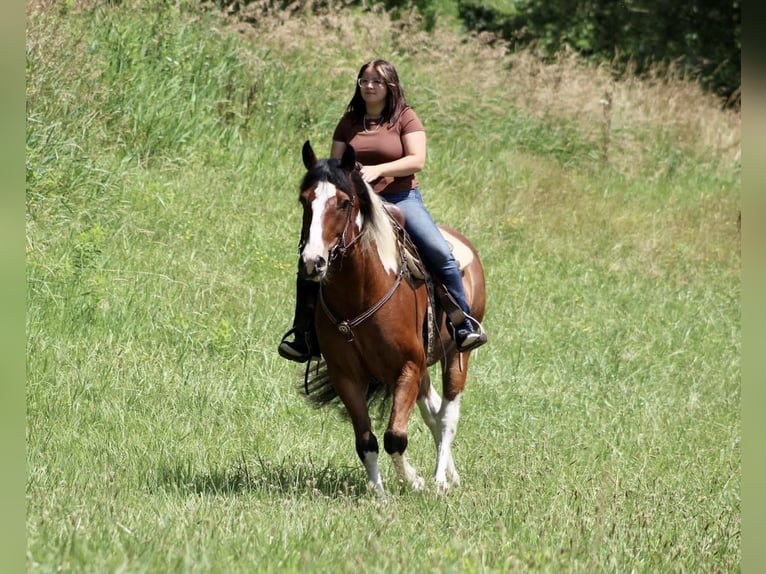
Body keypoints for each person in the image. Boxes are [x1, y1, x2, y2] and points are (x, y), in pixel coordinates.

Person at [278, 59, 487, 362]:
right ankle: (303, 335)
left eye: (376, 81)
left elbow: (417, 160)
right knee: (312, 257)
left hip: (402, 199)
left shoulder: (405, 118)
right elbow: (335, 168)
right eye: (364, 81)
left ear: (390, 86)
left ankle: (462, 324)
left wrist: (379, 170)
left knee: (439, 252)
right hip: (357, 203)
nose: (369, 86)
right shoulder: (349, 122)